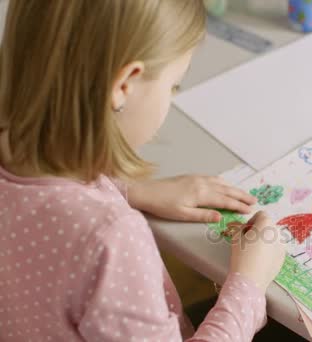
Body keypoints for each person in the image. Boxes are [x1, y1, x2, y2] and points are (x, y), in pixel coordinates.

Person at [0, 1, 285, 341]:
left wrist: (128, 191)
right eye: (173, 86)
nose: (172, 97)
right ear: (125, 84)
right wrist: (248, 286)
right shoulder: (111, 239)